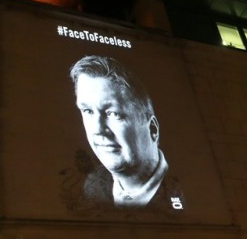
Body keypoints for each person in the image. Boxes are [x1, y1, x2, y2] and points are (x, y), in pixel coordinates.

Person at [69, 55, 183, 210]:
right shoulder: (90, 188)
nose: (97, 129)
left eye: (113, 113)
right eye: (88, 111)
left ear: (153, 129)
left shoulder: (185, 187)